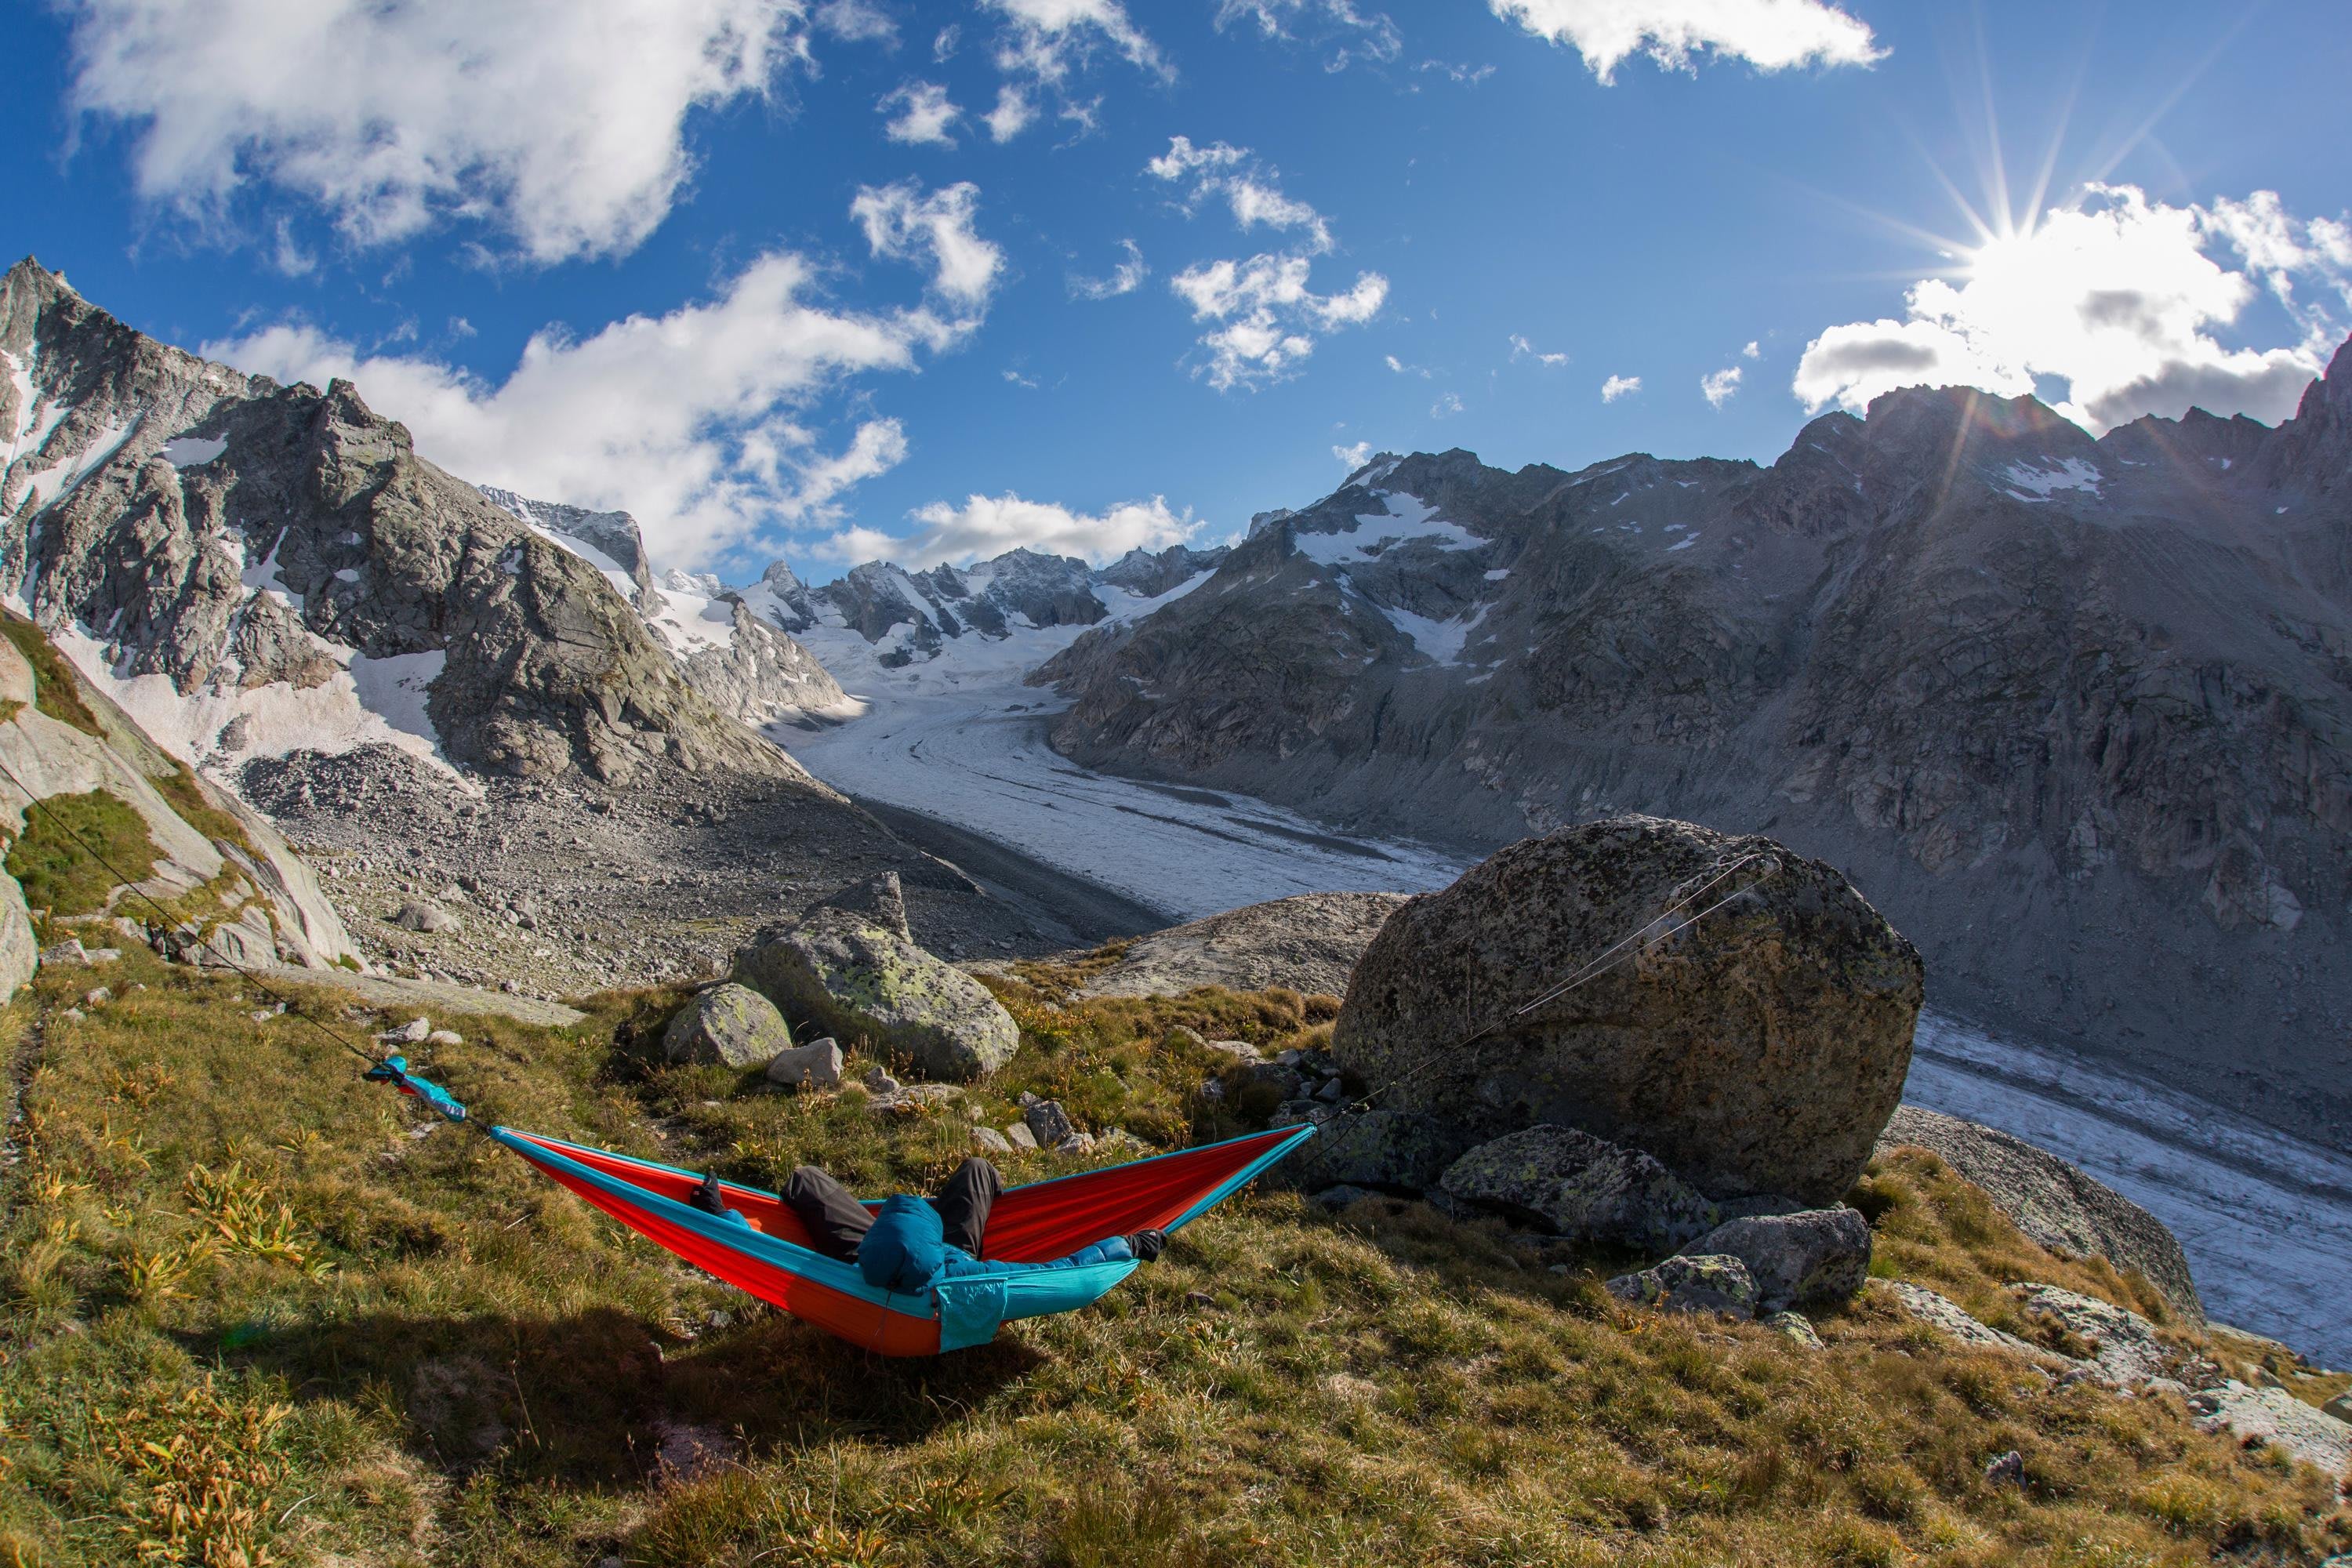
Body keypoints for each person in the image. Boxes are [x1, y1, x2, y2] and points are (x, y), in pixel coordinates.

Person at [689, 1157, 1167, 1294]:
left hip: (866, 1266)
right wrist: (1128, 1245)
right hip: (953, 1256)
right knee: (979, 1169)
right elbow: (1057, 1273)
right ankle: (971, 1204)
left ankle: (928, 1214)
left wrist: (717, 1211)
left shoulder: (851, 1268)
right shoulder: (964, 1279)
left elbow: (754, 1246)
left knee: (805, 1180)